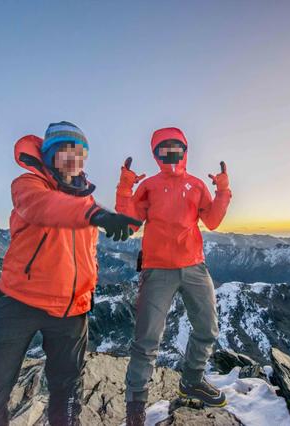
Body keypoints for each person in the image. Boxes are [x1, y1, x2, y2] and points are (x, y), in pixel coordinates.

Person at [0, 121, 141, 426]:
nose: (72, 159)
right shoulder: (28, 185)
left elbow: (128, 224)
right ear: (49, 155)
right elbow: (46, 207)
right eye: (64, 152)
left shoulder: (87, 200)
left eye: (79, 153)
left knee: (67, 395)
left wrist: (124, 188)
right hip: (21, 302)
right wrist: (96, 215)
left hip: (73, 308)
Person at [115, 127, 232, 425]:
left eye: (175, 147)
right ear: (155, 154)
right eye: (163, 149)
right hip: (157, 269)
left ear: (185, 149)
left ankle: (192, 380)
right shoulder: (149, 186)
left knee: (207, 328)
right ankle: (136, 405)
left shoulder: (195, 185)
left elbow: (213, 221)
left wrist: (222, 191)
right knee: (147, 339)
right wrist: (125, 188)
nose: (170, 153)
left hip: (194, 266)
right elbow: (128, 225)